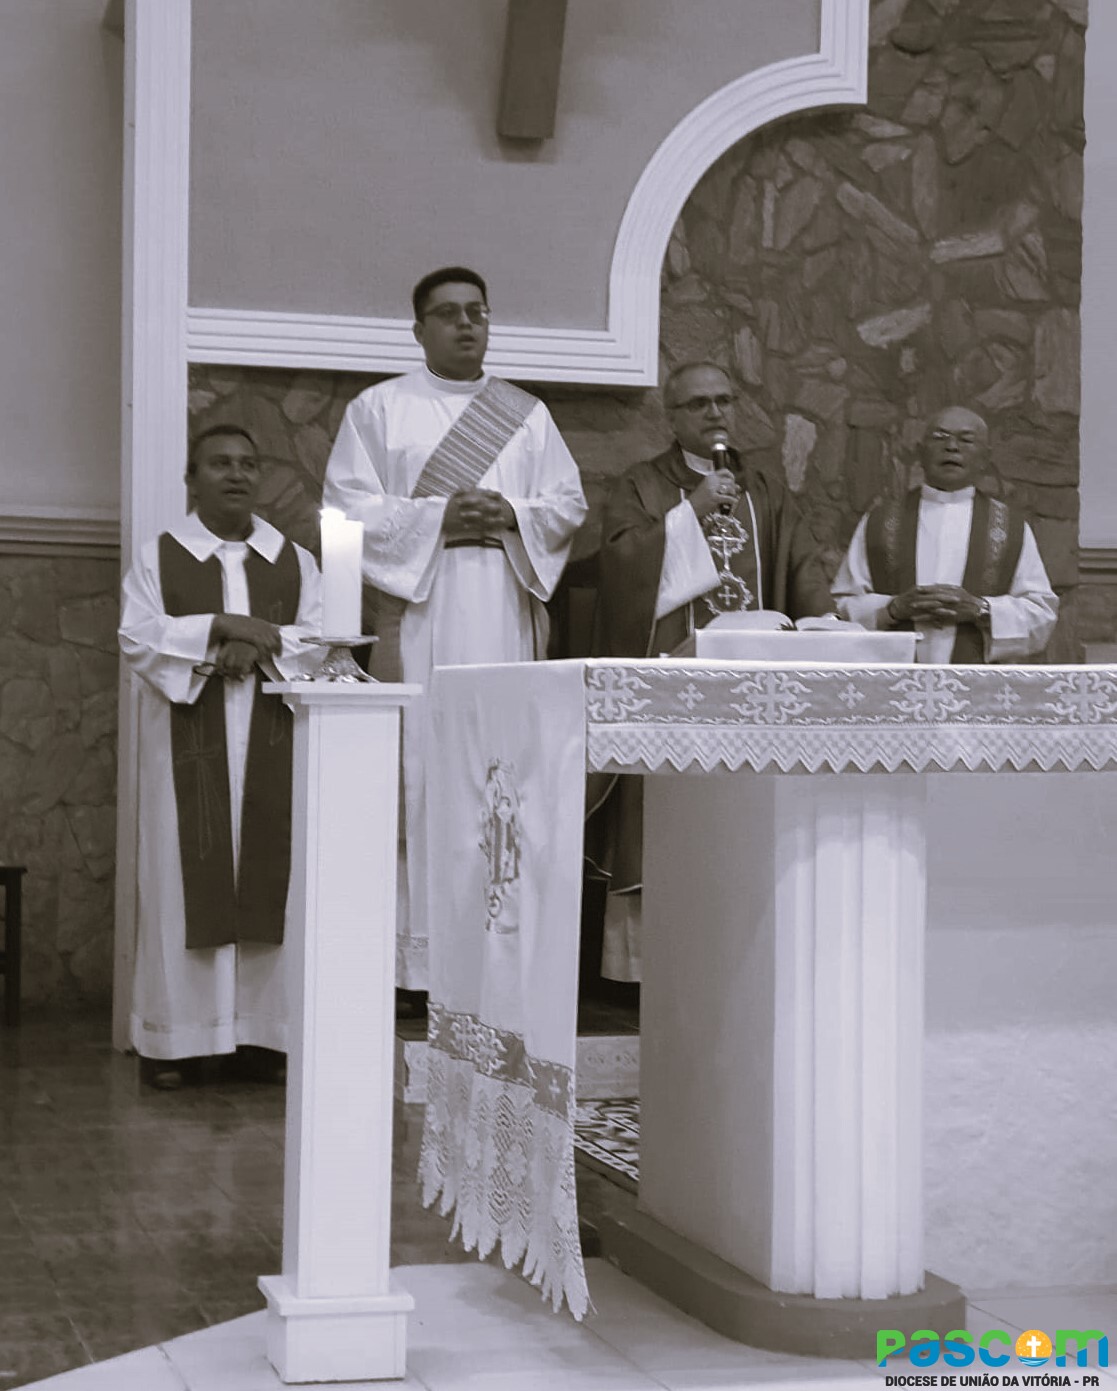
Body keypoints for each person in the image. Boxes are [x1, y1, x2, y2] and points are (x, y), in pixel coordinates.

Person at [322, 267, 587, 994]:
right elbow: (345, 507)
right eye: (447, 314)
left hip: (502, 599)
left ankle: (498, 961)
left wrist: (509, 515)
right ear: (419, 330)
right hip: (423, 610)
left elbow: (565, 503)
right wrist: (440, 517)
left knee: (502, 775)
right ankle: (421, 969)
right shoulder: (379, 410)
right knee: (426, 775)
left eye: (477, 312)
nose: (466, 324)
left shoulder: (526, 414)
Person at [589, 360, 835, 981]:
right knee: (667, 820)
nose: (715, 413)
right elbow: (620, 567)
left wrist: (823, 626)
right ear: (672, 417)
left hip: (755, 687)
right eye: (698, 404)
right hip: (675, 682)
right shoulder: (641, 485)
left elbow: (801, 562)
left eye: (723, 400)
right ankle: (650, 970)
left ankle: (743, 955)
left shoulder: (764, 488)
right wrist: (689, 512)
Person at [119, 425, 321, 1089]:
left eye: (247, 462)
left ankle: (263, 1035)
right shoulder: (160, 555)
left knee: (271, 881)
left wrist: (260, 647)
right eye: (219, 463)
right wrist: (221, 628)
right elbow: (139, 637)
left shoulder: (292, 559)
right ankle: (175, 1040)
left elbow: (321, 639)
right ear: (192, 477)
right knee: (183, 882)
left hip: (271, 738)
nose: (235, 474)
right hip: (189, 744)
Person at [832, 405, 1058, 663]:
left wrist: (980, 610)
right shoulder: (882, 521)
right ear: (920, 452)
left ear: (985, 457)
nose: (952, 447)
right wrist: (893, 608)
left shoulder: (1008, 527)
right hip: (893, 680)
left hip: (979, 685)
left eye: (966, 439)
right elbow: (841, 608)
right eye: (940, 437)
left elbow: (1041, 614)